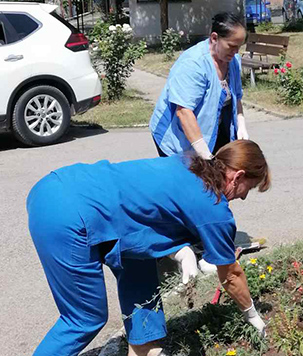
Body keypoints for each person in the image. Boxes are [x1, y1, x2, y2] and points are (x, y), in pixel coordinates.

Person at [28, 140, 269, 356]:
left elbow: (147, 213)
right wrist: (251, 314)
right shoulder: (215, 209)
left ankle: (145, 348)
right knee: (84, 318)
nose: (245, 197)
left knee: (139, 264)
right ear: (237, 177)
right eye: (249, 188)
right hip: (67, 217)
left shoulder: (186, 163)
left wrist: (179, 250)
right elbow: (231, 274)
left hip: (53, 186)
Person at [149, 12, 249, 159]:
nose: (235, 53)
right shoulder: (193, 64)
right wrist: (204, 155)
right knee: (189, 179)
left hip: (212, 130)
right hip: (177, 138)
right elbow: (183, 112)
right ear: (214, 38)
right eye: (232, 46)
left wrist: (241, 125)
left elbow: (236, 97)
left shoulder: (233, 61)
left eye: (239, 47)